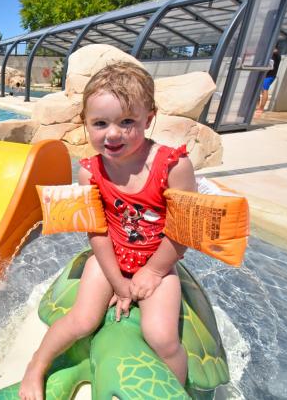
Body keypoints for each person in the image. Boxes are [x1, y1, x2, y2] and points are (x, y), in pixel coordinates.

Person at [19, 62, 196, 400]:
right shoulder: (89, 172)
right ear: (86, 123)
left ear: (149, 118)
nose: (112, 134)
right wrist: (118, 281)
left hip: (159, 260)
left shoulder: (174, 165)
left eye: (127, 122)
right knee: (82, 321)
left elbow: (184, 230)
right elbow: (97, 232)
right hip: (109, 258)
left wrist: (154, 271)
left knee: (162, 337)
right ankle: (36, 366)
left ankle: (174, 391)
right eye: (100, 123)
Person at [256, 48, 281, 114]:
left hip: (270, 76)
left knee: (264, 89)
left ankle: (261, 108)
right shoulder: (266, 54)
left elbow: (275, 52)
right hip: (262, 75)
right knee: (257, 90)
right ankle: (257, 106)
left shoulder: (276, 55)